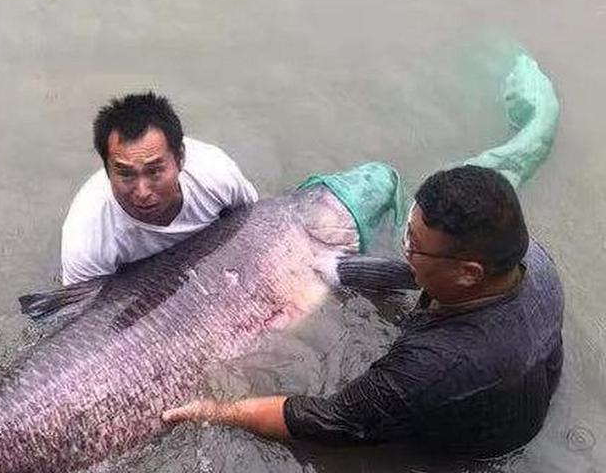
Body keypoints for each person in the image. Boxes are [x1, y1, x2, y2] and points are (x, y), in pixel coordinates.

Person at [162, 165, 564, 458]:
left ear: (467, 273)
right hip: (515, 376)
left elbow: (328, 421)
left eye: (414, 244)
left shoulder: (431, 368)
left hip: (471, 449)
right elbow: (417, 276)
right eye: (408, 230)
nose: (404, 247)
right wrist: (335, 271)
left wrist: (215, 409)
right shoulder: (528, 257)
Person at [60, 92, 258, 285]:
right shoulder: (87, 238)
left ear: (180, 158)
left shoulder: (216, 174)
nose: (142, 192)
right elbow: (83, 312)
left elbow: (255, 227)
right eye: (126, 174)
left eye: (154, 171)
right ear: (107, 170)